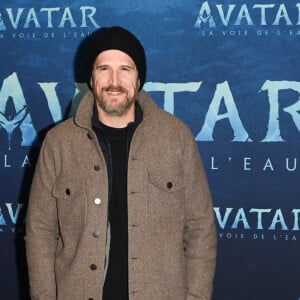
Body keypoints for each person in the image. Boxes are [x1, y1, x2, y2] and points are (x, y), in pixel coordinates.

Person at [25, 26, 217, 300]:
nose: (114, 81)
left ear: (139, 79)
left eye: (125, 69)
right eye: (104, 68)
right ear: (91, 77)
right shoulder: (59, 143)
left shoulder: (176, 137)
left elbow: (201, 229)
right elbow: (40, 233)